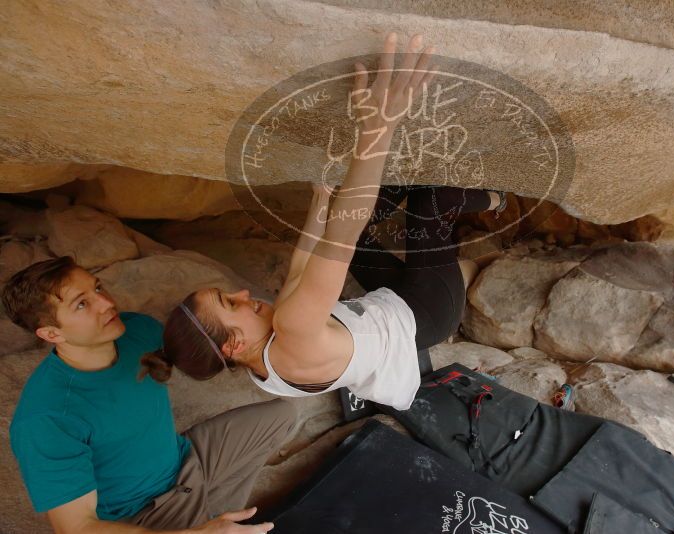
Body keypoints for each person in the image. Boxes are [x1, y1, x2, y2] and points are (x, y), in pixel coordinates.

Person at [152, 32, 506, 410]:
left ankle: (446, 247)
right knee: (430, 200)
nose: (242, 294)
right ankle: (499, 201)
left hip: (390, 305)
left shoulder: (266, 367)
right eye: (229, 303)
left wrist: (322, 198)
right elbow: (342, 235)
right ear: (232, 345)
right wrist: (378, 126)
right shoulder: (294, 331)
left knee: (353, 222)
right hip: (428, 309)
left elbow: (301, 269)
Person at [3, 256, 297, 533]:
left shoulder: (138, 329)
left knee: (281, 416)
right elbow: (78, 527)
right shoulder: (47, 417)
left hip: (185, 459)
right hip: (147, 511)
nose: (106, 303)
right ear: (51, 334)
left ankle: (214, 518)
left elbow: (200, 351)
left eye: (97, 287)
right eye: (82, 304)